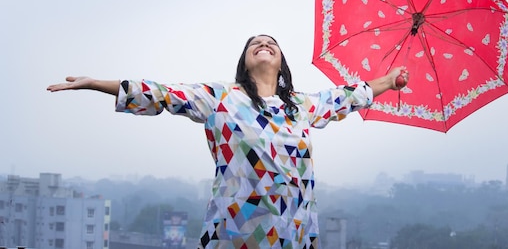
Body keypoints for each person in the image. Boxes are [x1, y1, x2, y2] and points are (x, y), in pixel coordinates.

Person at [47, 34, 408, 249]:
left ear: (282, 65)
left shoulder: (301, 106)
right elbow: (160, 93)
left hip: (293, 232)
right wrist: (94, 83)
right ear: (244, 62)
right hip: (235, 232)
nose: (264, 44)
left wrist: (389, 81)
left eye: (272, 44)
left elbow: (349, 95)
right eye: (255, 44)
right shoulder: (221, 98)